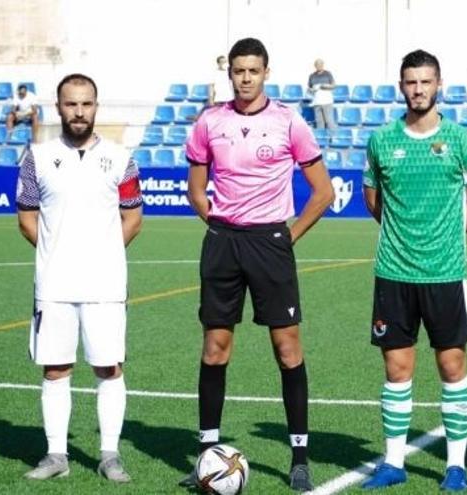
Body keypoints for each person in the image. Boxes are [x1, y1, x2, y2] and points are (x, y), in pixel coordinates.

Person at [179, 37, 335, 492]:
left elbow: (322, 192)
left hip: (271, 242)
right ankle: (207, 457)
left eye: (253, 71)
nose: (245, 78)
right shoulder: (210, 122)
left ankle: (300, 458)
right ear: (230, 73)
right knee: (215, 348)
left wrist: (286, 235)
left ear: (266, 72)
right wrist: (221, 226)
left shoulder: (289, 122)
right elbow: (195, 188)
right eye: (238, 71)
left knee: (287, 349)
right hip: (223, 241)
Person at [360, 49, 467, 492]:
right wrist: (404, 236)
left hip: (445, 273)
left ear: (439, 85)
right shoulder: (380, 141)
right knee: (397, 369)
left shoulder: (461, 140)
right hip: (393, 272)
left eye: (426, 81)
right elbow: (373, 201)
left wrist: (445, 237)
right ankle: (393, 462)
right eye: (411, 82)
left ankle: (455, 465)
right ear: (401, 86)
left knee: (452, 365)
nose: (418, 89)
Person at [16, 73, 143, 483]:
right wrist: (58, 254)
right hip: (53, 284)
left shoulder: (122, 158)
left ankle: (109, 455)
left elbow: (133, 218)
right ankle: (56, 455)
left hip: (105, 285)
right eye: (71, 104)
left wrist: (101, 255)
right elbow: (25, 217)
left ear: (96, 106)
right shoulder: (36, 156)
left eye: (85, 104)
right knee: (55, 369)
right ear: (59, 107)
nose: (78, 111)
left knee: (109, 368)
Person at [307, 58, 337, 130]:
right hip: (317, 102)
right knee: (319, 122)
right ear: (315, 66)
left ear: (323, 65)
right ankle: (321, 139)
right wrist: (312, 89)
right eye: (317, 64)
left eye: (320, 64)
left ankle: (333, 139)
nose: (319, 66)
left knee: (329, 121)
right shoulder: (312, 76)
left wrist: (325, 86)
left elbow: (334, 85)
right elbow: (309, 88)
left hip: (327, 101)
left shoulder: (328, 74)